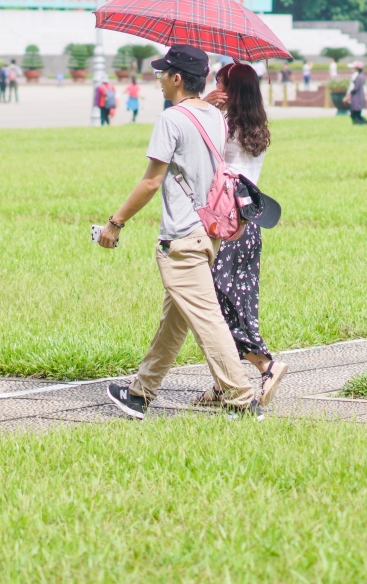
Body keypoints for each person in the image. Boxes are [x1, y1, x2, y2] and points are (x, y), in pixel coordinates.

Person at [96, 46, 260, 420]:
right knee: (176, 320)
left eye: (162, 73)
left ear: (177, 78)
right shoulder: (215, 118)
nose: (158, 80)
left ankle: (241, 398)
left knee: (206, 320)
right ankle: (140, 393)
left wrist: (115, 222)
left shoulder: (171, 119)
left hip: (182, 238)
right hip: (208, 234)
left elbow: (151, 182)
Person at [202, 60, 287, 407]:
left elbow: (195, 149)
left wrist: (205, 106)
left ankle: (266, 365)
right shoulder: (257, 129)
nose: (216, 87)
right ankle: (221, 387)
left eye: (220, 83)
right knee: (240, 301)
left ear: (229, 91)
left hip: (227, 225)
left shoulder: (223, 127)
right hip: (251, 225)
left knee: (217, 304)